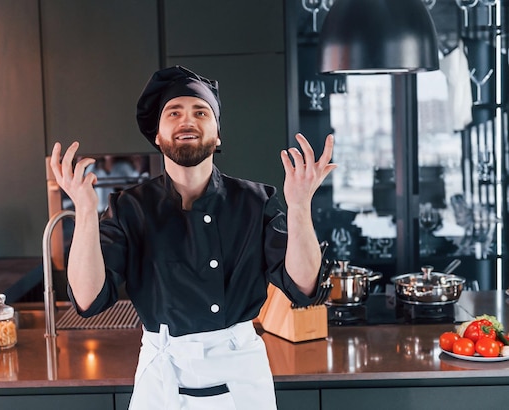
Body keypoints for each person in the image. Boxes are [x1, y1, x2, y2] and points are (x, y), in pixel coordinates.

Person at [50, 65, 336, 410]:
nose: (188, 120)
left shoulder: (256, 202)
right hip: (163, 371)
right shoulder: (129, 208)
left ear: (217, 135)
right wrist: (84, 211)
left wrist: (300, 206)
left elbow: (303, 286)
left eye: (201, 112)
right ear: (157, 135)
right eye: (174, 112)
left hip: (239, 372)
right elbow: (87, 299)